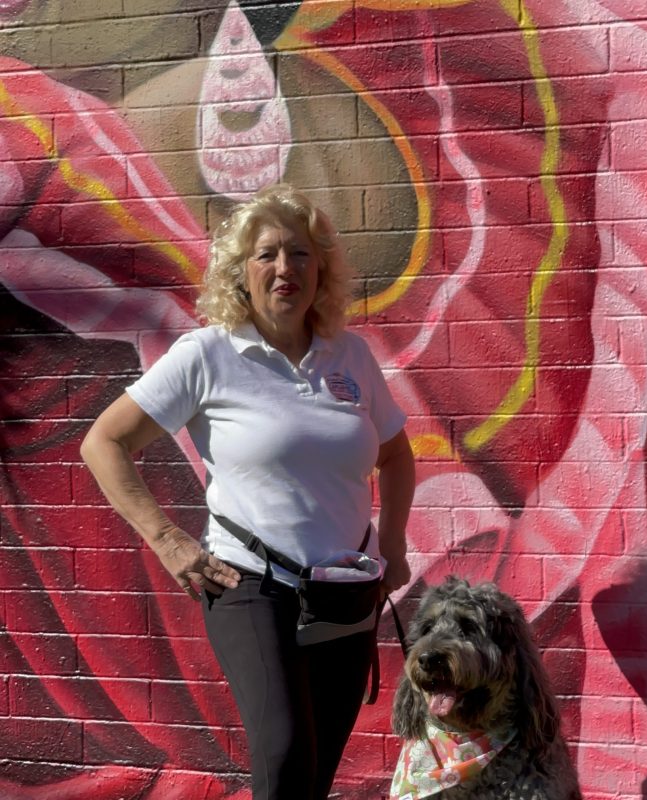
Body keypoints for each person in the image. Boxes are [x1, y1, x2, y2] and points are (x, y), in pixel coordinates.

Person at [80, 184, 415, 800]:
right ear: (241, 274)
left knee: (315, 772)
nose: (285, 269)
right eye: (267, 255)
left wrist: (392, 541)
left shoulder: (352, 358)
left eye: (300, 254)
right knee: (286, 758)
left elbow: (395, 454)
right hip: (249, 586)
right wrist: (168, 540)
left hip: (345, 591)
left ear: (322, 269)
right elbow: (103, 443)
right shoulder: (207, 355)